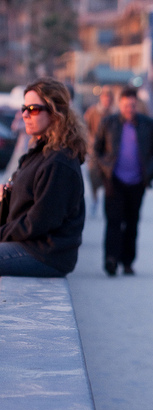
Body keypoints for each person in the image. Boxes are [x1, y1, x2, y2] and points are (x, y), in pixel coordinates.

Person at [0, 77, 87, 277]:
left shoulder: (59, 161)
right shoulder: (41, 152)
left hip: (45, 254)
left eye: (33, 109)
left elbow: (39, 221)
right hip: (31, 246)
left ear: (55, 113)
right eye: (24, 108)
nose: (25, 115)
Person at [94, 86, 153, 276]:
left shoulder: (147, 124)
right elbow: (97, 150)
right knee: (113, 222)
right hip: (113, 181)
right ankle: (111, 259)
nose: (129, 109)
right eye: (125, 105)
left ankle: (127, 262)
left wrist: (149, 174)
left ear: (137, 105)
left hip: (137, 183)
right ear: (120, 104)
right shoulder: (108, 123)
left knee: (132, 223)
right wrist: (104, 172)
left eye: (132, 105)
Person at [83, 85, 114, 215]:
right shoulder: (92, 112)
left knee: (108, 179)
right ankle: (95, 199)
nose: (107, 101)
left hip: (108, 152)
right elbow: (85, 128)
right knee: (93, 176)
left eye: (109, 98)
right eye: (105, 98)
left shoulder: (114, 114)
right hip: (94, 151)